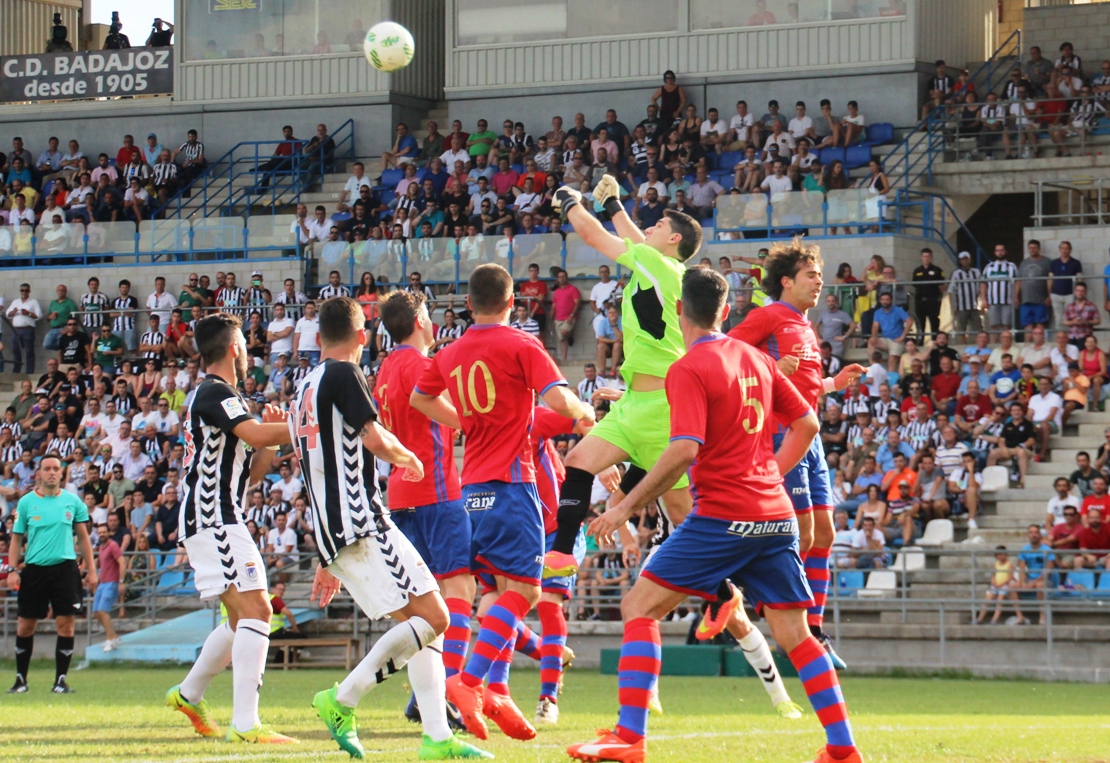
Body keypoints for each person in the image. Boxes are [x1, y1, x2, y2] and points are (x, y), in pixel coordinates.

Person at [567, 268, 861, 763]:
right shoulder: (757, 359)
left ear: (678, 310)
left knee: (639, 608)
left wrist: (623, 506)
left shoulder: (688, 368)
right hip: (774, 514)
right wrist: (770, 471)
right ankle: (842, 748)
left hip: (723, 516)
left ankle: (630, 738)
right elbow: (808, 422)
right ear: (726, 312)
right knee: (796, 635)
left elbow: (683, 450)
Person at [280, 298, 487, 760]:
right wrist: (405, 457)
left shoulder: (302, 387)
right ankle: (343, 699)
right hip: (362, 521)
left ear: (317, 337)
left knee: (424, 623)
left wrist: (324, 556)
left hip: (339, 526)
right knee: (436, 618)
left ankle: (436, 736)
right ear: (362, 337)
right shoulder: (344, 374)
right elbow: (373, 437)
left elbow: (317, 464)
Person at [411, 264, 593, 742]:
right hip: (513, 485)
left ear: (469, 304)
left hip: (469, 492)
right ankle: (468, 682)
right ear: (513, 302)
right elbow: (558, 402)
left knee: (482, 596)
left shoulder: (449, 352)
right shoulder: (520, 344)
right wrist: (584, 410)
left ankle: (493, 690)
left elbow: (420, 399)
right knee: (528, 591)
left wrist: (464, 423)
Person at [541, 175, 699, 584]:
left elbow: (593, 237)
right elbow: (637, 240)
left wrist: (569, 201)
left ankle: (725, 591)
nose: (648, 228)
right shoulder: (662, 266)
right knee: (577, 461)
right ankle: (560, 554)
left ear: (674, 240)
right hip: (635, 404)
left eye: (659, 225)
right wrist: (613, 203)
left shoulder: (658, 265)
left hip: (663, 411)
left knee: (685, 519)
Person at [727, 239, 865, 669]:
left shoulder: (805, 326)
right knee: (801, 535)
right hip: (778, 434)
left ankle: (815, 628)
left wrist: (833, 385)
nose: (819, 281)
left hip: (810, 435)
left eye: (819, 275)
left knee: (824, 535)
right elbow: (725, 356)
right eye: (810, 274)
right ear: (786, 282)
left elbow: (799, 386)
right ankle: (763, 604)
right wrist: (769, 368)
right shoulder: (768, 316)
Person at [164, 314, 297, 745]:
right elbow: (254, 432)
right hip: (212, 515)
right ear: (234, 348)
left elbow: (253, 474)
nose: (248, 352)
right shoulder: (214, 392)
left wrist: (273, 441)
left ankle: (188, 695)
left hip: (222, 513)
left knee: (244, 616)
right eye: (244, 344)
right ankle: (245, 725)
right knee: (259, 610)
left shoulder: (224, 397)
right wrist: (309, 427)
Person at [371, 290, 481, 720]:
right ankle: (445, 693)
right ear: (419, 319)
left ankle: (427, 698)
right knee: (459, 591)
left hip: (400, 493)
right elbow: (445, 409)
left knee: (423, 606)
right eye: (429, 315)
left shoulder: (384, 368)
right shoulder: (422, 365)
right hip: (436, 489)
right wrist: (475, 424)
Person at [7, 455, 96, 694]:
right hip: (34, 569)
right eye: (47, 468)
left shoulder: (73, 502)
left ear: (61, 474)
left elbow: (84, 538)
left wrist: (92, 570)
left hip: (65, 569)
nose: (52, 472)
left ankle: (60, 681)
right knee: (25, 625)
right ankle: (20, 680)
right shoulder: (26, 503)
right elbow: (16, 538)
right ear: (39, 474)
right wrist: (12, 570)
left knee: (66, 625)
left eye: (56, 468)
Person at [976, 547, 1027, 625]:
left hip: (1004, 585)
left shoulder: (1009, 564)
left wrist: (1001, 584)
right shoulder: (996, 564)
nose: (1000, 557)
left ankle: (994, 620)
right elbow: (994, 574)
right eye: (998, 555)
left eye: (1002, 555)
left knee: (999, 601)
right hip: (996, 585)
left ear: (1006, 555)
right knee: (987, 600)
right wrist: (993, 581)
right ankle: (979, 619)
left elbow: (1010, 576)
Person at [93, 522, 124, 651]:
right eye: (99, 533)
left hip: (112, 582)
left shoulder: (113, 546)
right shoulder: (101, 547)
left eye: (104, 532)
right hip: (103, 582)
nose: (102, 534)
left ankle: (109, 639)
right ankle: (114, 637)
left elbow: (122, 562)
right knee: (96, 612)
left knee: (103, 611)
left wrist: (121, 581)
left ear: (108, 533)